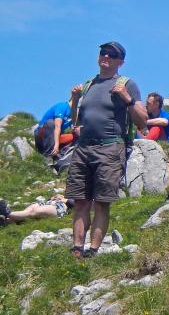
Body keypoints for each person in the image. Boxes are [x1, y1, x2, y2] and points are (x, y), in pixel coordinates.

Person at [66, 41, 146, 259]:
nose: (106, 57)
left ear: (121, 62)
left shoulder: (127, 84)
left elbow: (142, 121)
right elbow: (75, 121)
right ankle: (77, 249)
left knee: (101, 201)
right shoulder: (88, 84)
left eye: (112, 55)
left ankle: (93, 250)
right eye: (103, 53)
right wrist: (74, 100)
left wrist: (127, 99)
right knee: (80, 200)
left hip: (111, 147)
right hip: (83, 147)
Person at [0, 195, 72, 227]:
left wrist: (64, 199)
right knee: (28, 211)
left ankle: (6, 213)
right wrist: (54, 197)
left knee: (33, 212)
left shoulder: (80, 194)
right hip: (50, 202)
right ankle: (5, 220)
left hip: (60, 206)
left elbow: (76, 204)